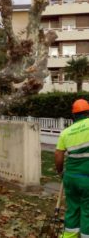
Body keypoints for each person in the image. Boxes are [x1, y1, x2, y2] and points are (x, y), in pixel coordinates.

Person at [55, 98, 89, 238]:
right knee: (87, 212)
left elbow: (58, 156)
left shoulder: (66, 132)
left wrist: (60, 172)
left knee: (73, 209)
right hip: (86, 179)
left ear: (74, 115)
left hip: (70, 178)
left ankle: (69, 236)